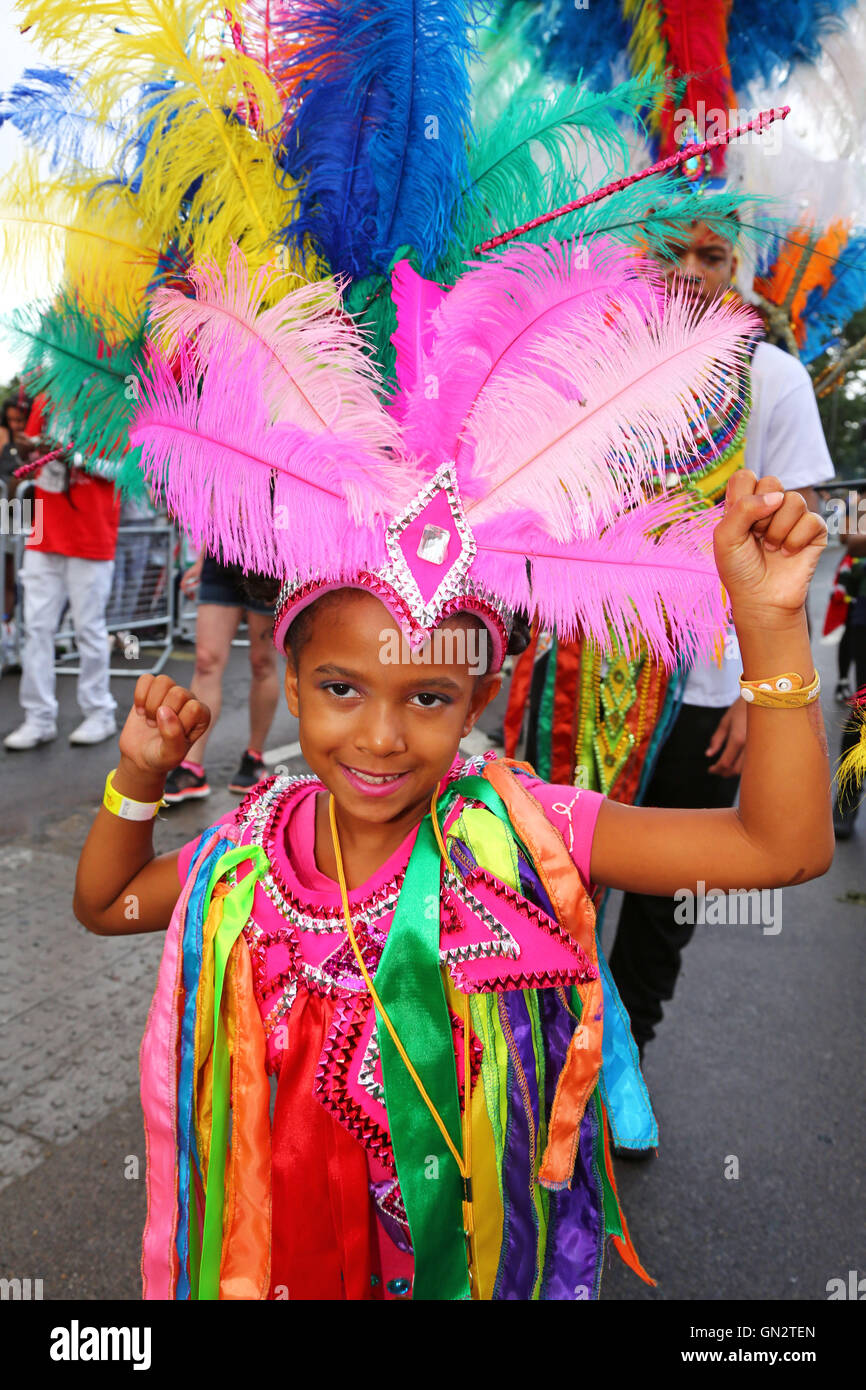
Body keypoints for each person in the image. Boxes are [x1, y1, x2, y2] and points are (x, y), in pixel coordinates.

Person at [72, 240, 833, 1300]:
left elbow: (779, 847)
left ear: (477, 700)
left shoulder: (525, 835)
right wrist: (138, 780)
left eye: (426, 697)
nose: (380, 736)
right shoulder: (248, 854)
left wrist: (769, 628)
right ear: (288, 685)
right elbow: (107, 902)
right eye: (342, 688)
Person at [607, 219, 833, 1064]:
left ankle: (625, 1067)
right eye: (675, 252)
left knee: (674, 897)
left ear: (737, 265)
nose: (693, 272)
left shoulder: (772, 378)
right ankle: (551, 1070)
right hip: (582, 682)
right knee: (557, 883)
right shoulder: (600, 362)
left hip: (704, 689)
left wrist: (754, 689)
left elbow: (790, 554)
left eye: (714, 256)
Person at [4, 451, 120, 750]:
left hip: (91, 537)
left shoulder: (116, 410)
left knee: (89, 629)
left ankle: (99, 712)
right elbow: (30, 459)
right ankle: (38, 718)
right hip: (44, 535)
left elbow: (125, 471)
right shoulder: (47, 404)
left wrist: (80, 459)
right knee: (36, 630)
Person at [161, 549, 280, 801]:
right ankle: (191, 767)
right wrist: (202, 560)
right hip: (220, 554)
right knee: (206, 661)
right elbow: (216, 507)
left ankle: (254, 757)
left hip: (269, 555)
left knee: (262, 662)